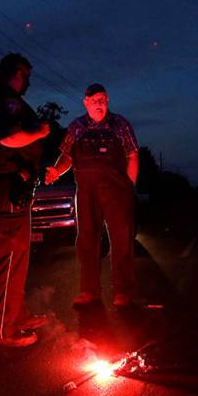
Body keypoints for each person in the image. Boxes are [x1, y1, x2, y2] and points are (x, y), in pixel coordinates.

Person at [0, 53, 51, 347]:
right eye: (26, 76)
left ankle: (17, 314)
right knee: (7, 261)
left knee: (14, 258)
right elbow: (8, 139)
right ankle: (2, 331)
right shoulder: (6, 101)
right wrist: (40, 131)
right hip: (4, 189)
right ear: (15, 74)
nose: (28, 82)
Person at [45, 83, 140, 308]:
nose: (99, 103)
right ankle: (89, 292)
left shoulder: (120, 125)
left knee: (122, 241)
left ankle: (123, 293)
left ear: (107, 100)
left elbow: (133, 156)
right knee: (87, 240)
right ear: (86, 102)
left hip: (117, 191)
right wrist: (56, 171)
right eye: (94, 100)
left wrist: (129, 187)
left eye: (103, 99)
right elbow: (67, 156)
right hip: (86, 193)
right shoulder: (77, 127)